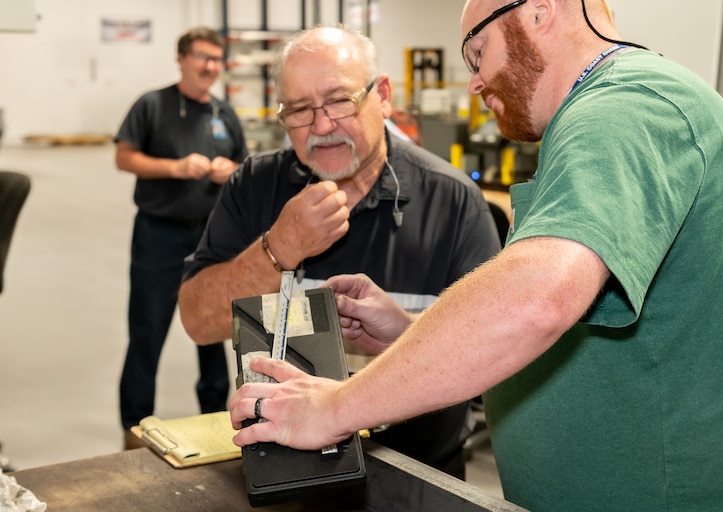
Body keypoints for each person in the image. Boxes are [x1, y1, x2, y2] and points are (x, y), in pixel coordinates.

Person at [226, 0, 723, 512]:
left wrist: (332, 409)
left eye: (478, 52)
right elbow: (574, 327)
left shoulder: (625, 109)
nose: (476, 83)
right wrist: (409, 335)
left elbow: (537, 300)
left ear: (540, 12)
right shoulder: (610, 114)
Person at [177, 25, 501, 478]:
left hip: (419, 474)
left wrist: (407, 331)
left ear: (382, 95)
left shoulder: (452, 201)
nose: (322, 126)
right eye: (300, 110)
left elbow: (496, 350)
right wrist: (279, 248)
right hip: (285, 473)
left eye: (339, 101)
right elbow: (197, 320)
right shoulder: (254, 187)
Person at [115, 26, 248, 446]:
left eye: (215, 59)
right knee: (148, 331)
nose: (209, 66)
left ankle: (213, 418)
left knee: (210, 330)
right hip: (159, 236)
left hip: (212, 242)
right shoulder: (152, 106)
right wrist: (174, 167)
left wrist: (232, 171)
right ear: (182, 59)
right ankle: (134, 428)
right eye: (201, 57)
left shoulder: (223, 113)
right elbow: (124, 157)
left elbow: (244, 164)